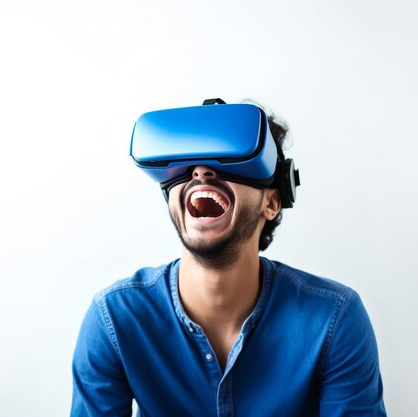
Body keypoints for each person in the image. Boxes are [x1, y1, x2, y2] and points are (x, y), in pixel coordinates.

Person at [70, 99, 386, 417]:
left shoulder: (333, 319)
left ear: (272, 203)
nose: (202, 171)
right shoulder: (115, 319)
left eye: (230, 160)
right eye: (188, 164)